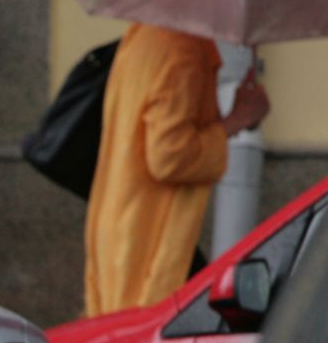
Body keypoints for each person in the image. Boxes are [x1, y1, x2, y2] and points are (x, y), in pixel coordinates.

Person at [83, 23, 271, 316]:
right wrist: (238, 119)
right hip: (150, 234)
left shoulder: (145, 34)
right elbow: (169, 157)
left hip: (123, 219)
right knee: (142, 340)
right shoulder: (182, 51)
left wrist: (237, 117)